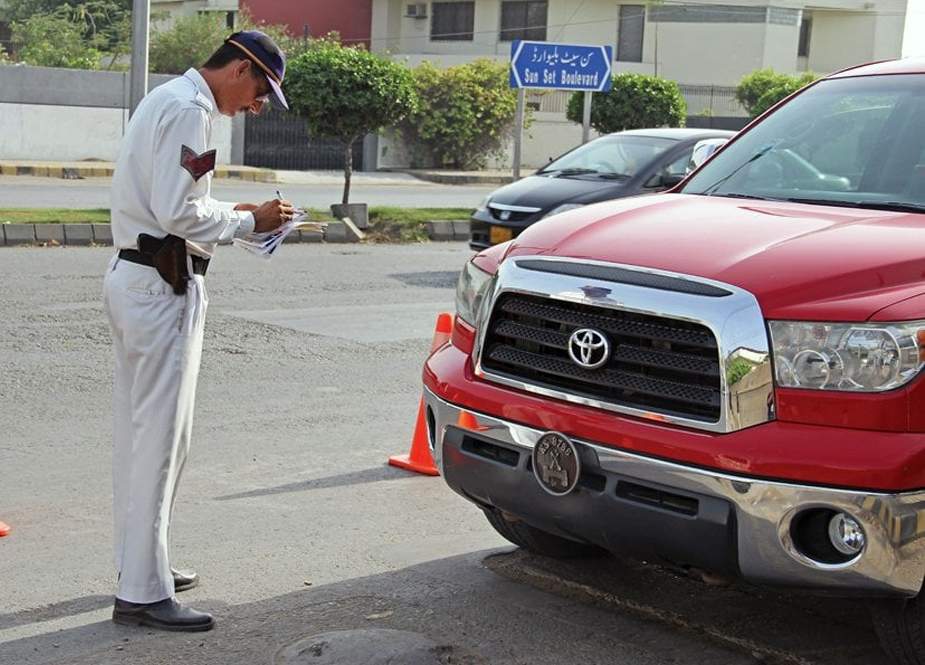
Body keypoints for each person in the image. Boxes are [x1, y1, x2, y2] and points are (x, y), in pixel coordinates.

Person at [103, 30, 292, 632]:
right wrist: (248, 219)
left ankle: (141, 565)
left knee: (140, 435)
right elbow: (177, 211)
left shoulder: (167, 98)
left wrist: (231, 216)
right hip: (161, 288)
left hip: (136, 279)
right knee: (161, 440)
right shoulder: (191, 110)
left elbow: (173, 200)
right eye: (261, 90)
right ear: (240, 69)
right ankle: (141, 592)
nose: (258, 105)